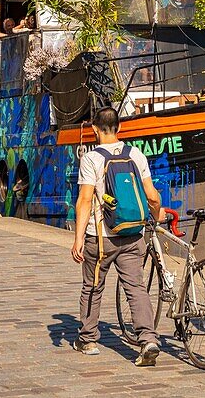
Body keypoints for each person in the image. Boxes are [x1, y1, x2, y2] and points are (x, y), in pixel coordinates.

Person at [72, 107, 162, 367]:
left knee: (93, 285)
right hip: (133, 233)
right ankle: (147, 339)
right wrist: (156, 214)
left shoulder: (91, 159)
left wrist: (78, 238)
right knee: (135, 287)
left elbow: (85, 199)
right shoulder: (135, 154)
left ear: (94, 129)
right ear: (120, 128)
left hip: (101, 237)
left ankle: (88, 339)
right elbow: (152, 195)